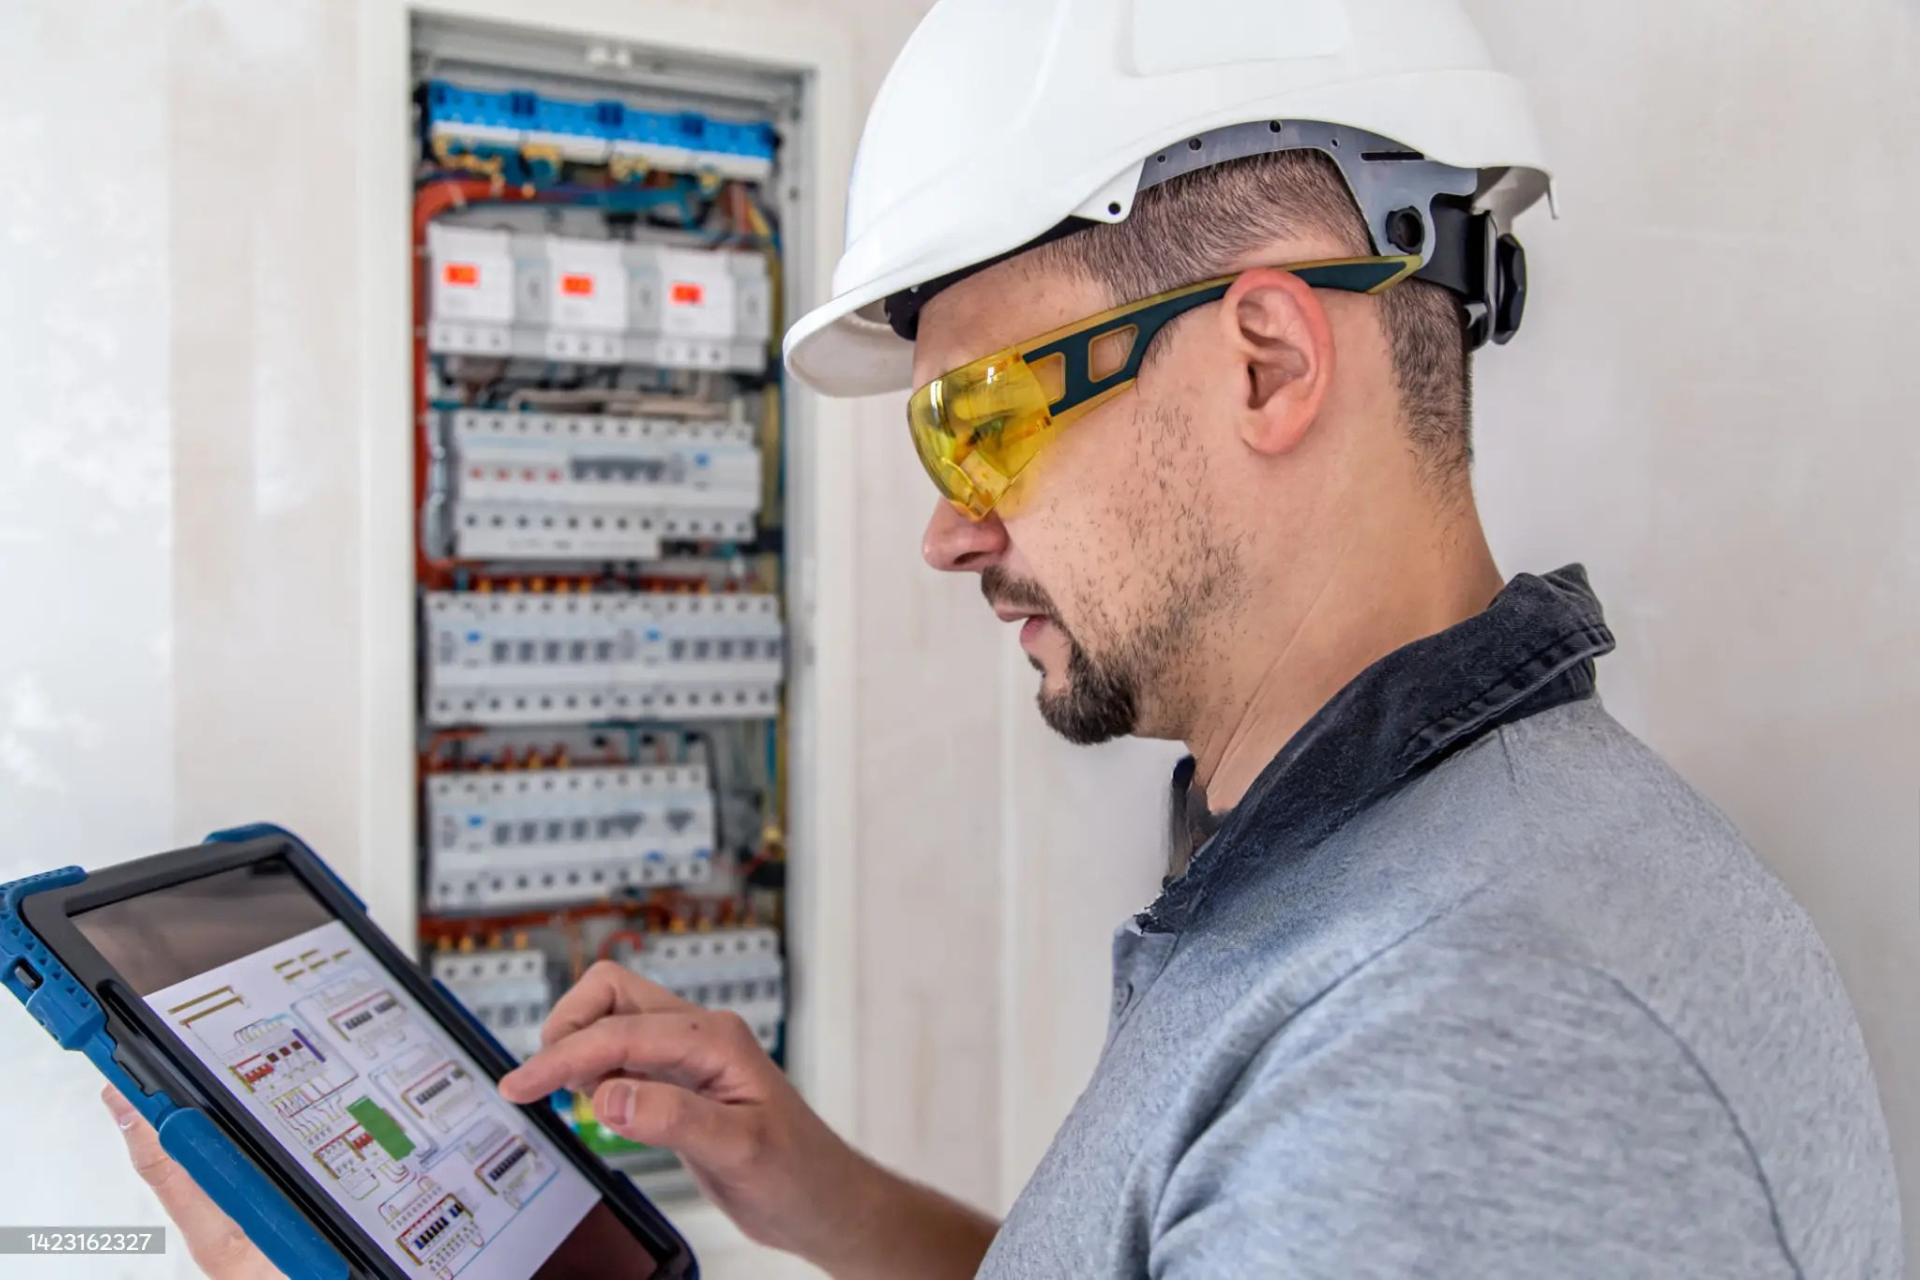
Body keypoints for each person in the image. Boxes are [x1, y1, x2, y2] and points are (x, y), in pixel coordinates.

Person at [111, 0, 1903, 1275]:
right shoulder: (1390, 876)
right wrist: (828, 1199)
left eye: (979, 419)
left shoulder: (1475, 1048)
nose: (948, 524)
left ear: (1268, 360)